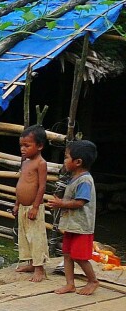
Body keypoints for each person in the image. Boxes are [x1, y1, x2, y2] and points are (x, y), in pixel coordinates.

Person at [48, 140, 99, 296]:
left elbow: (80, 202)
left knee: (80, 256)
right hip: (72, 224)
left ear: (77, 162)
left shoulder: (85, 180)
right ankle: (70, 284)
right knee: (67, 253)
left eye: (66, 157)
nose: (64, 161)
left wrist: (61, 203)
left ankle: (93, 281)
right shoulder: (74, 177)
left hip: (81, 227)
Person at [13, 125, 49, 282]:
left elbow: (42, 187)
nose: (23, 149)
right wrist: (17, 203)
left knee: (36, 237)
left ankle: (40, 268)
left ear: (40, 146)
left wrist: (35, 206)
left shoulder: (40, 163)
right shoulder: (25, 162)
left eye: (27, 145)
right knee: (24, 236)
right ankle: (31, 263)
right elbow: (21, 183)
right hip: (23, 206)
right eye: (21, 145)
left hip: (34, 207)